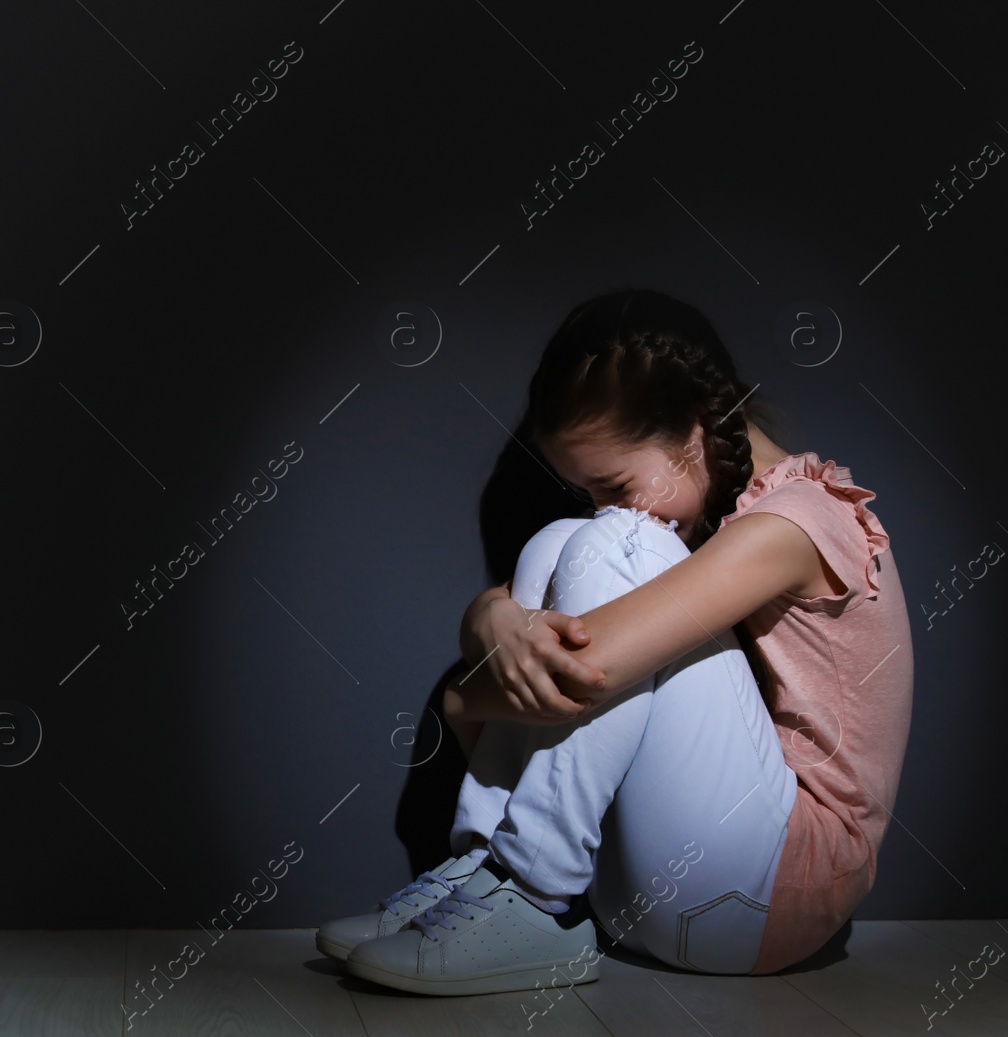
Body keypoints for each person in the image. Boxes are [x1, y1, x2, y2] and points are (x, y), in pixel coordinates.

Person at [318, 288, 914, 996]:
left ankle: (530, 893)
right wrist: (490, 618)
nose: (609, 504)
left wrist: (471, 669)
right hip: (658, 887)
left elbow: (573, 670)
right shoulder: (713, 515)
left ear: (696, 430)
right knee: (561, 538)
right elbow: (532, 648)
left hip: (773, 896)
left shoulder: (798, 522)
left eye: (617, 482)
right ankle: (487, 874)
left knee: (616, 542)